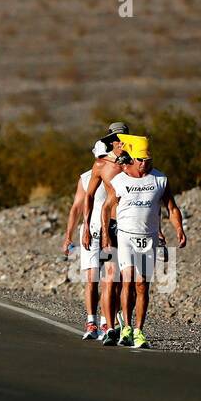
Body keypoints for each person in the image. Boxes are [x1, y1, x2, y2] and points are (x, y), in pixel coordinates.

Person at [100, 134, 187, 349]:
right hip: (126, 236)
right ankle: (126, 328)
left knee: (142, 286)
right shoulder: (119, 180)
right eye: (140, 160)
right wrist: (104, 233)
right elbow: (106, 208)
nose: (144, 164)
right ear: (132, 158)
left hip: (148, 238)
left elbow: (172, 208)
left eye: (148, 160)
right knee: (127, 281)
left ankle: (139, 331)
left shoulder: (160, 179)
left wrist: (179, 229)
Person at [64, 132, 126, 338]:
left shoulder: (124, 171)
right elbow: (76, 207)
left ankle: (105, 322)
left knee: (111, 278)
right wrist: (69, 235)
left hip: (112, 228)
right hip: (91, 230)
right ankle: (91, 322)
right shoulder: (86, 177)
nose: (100, 160)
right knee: (92, 278)